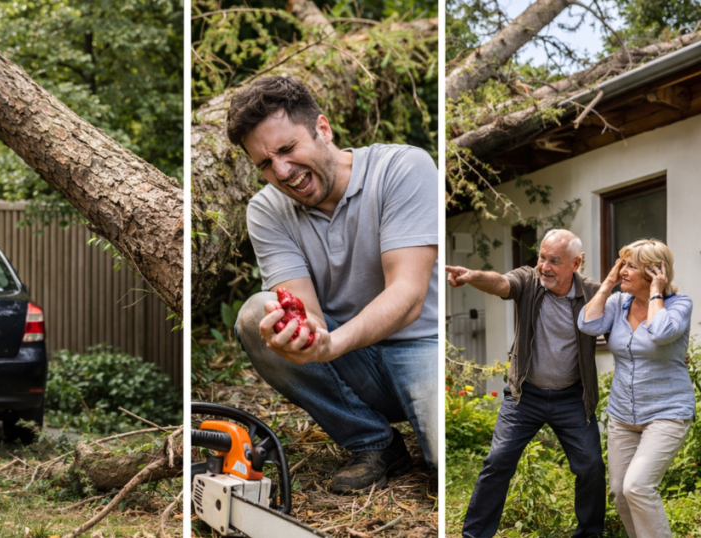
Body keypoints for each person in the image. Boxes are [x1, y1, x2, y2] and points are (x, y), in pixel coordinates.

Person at [229, 76, 438, 493]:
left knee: (444, 475)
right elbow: (302, 311)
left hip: (419, 346)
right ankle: (374, 442)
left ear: (323, 129)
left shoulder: (403, 167)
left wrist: (332, 343)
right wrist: (302, 337)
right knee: (256, 314)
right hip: (350, 361)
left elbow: (408, 295)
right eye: (266, 164)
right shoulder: (267, 210)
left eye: (288, 149)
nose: (282, 172)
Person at [446, 229, 606, 538]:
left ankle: (590, 534)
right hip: (525, 395)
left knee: (591, 467)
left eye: (554, 261)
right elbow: (502, 283)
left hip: (572, 398)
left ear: (576, 263)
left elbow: (628, 313)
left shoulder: (592, 294)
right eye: (541, 258)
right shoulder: (530, 281)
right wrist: (472, 276)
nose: (544, 266)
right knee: (497, 460)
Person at [578, 239, 693, 538]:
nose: (623, 272)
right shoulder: (618, 303)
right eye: (622, 264)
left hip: (666, 412)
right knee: (619, 492)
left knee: (638, 486)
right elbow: (588, 325)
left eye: (630, 266)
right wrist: (607, 284)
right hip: (623, 416)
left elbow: (660, 332)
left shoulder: (679, 305)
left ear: (654, 272)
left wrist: (656, 292)